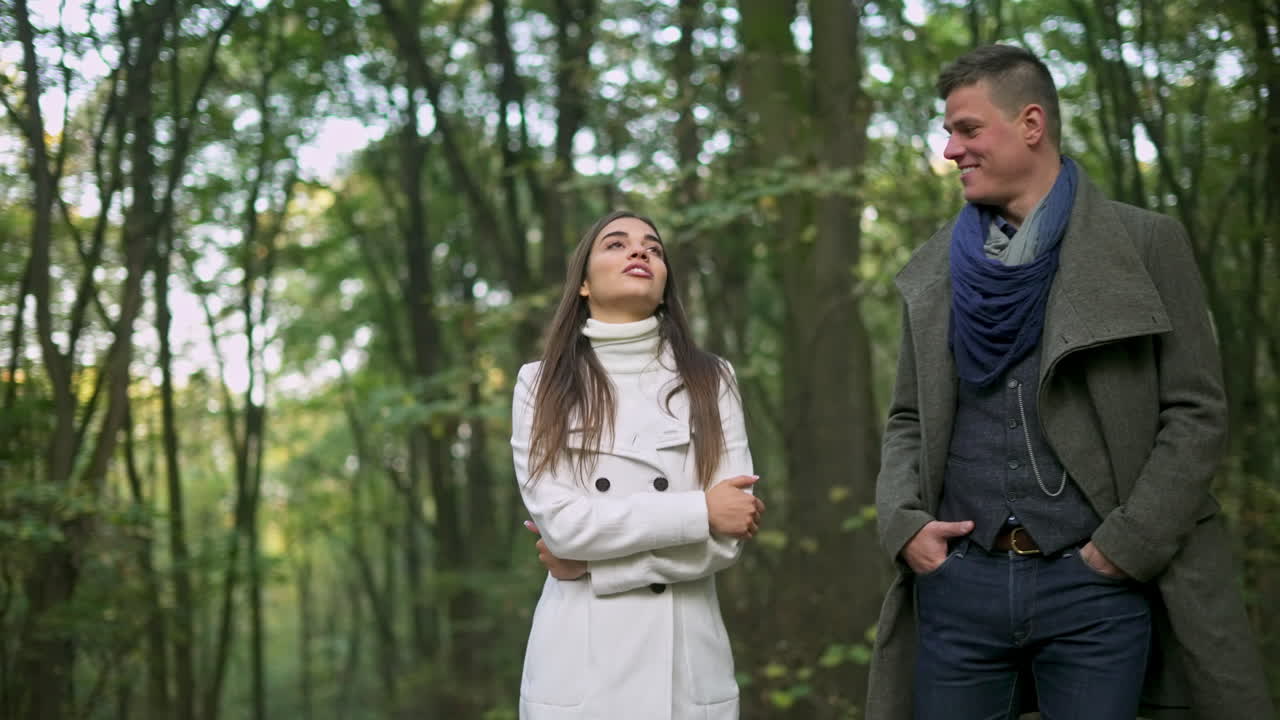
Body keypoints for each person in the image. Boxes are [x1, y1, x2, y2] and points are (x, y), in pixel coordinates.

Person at [866, 44, 1275, 720]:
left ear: (1031, 124)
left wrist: (1125, 547)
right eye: (947, 133)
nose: (949, 151)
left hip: (1096, 588)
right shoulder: (934, 266)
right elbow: (908, 419)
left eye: (967, 130)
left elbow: (1196, 412)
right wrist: (904, 525)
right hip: (960, 586)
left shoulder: (1145, 244)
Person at [511, 210, 764, 720]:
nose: (640, 251)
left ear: (667, 281)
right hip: (579, 666)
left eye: (653, 247)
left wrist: (591, 566)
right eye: (616, 244)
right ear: (582, 283)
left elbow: (729, 533)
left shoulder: (713, 379)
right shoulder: (539, 385)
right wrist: (699, 512)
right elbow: (563, 527)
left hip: (686, 664)